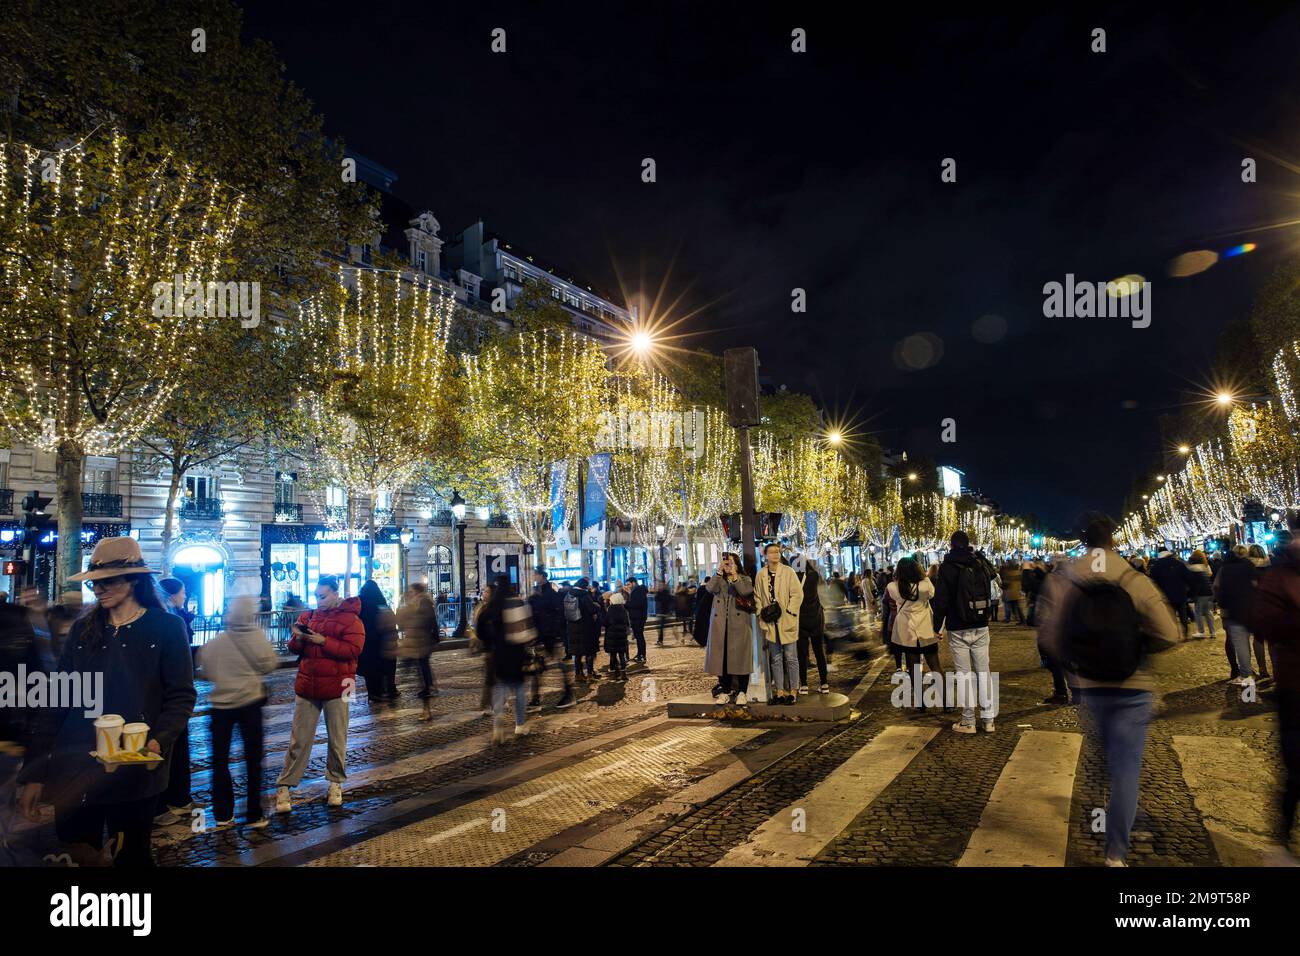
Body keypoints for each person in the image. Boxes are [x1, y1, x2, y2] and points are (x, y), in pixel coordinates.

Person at [18, 537, 196, 867]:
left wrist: (158, 740)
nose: (98, 589)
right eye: (95, 582)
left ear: (133, 581)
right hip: (75, 772)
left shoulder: (167, 628)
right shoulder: (84, 628)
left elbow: (181, 696)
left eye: (107, 581)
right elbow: (57, 699)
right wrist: (35, 773)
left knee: (131, 859)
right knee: (75, 858)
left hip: (134, 773)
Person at [1037, 512, 1180, 866]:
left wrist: (1074, 660)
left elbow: (1049, 636)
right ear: (1114, 539)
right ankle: (1115, 853)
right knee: (1126, 768)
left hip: (1088, 684)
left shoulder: (1065, 576)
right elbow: (1170, 633)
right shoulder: (1133, 576)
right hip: (1133, 685)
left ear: (1083, 541)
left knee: (1101, 755)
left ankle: (1102, 806)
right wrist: (1138, 648)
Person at [275, 575, 364, 814]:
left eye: (323, 596)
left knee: (338, 737)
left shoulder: (352, 619)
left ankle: (335, 783)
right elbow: (293, 646)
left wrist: (323, 641)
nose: (318, 600)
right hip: (308, 684)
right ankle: (285, 785)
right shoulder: (309, 616)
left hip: (343, 683)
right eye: (316, 596)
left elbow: (354, 651)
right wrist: (299, 637)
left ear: (335, 594)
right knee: (299, 739)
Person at [199, 595, 277, 828]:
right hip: (250, 705)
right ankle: (254, 813)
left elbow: (205, 669)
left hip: (220, 707)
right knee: (253, 759)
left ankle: (223, 813)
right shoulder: (259, 638)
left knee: (220, 760)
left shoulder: (217, 641)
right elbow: (270, 664)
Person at [1250, 513, 1300, 861]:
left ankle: (1281, 839)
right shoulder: (1280, 575)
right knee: (1296, 765)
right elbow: (1266, 623)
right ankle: (1280, 838)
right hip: (1295, 684)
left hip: (1293, 680)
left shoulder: (1278, 574)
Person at [932, 531, 997, 732]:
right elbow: (994, 575)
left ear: (951, 545)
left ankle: (968, 721)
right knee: (983, 673)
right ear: (968, 545)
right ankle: (988, 720)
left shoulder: (947, 567)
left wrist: (936, 626)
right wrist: (979, 554)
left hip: (958, 626)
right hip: (981, 623)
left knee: (964, 674)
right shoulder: (978, 562)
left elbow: (941, 600)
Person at [154, 576, 196, 826]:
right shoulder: (169, 621)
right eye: (183, 592)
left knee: (176, 749)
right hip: (166, 697)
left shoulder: (174, 617)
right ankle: (163, 803)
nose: (185, 596)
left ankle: (177, 798)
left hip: (173, 697)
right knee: (167, 749)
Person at [478, 576, 535, 743]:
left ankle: (498, 725)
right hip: (517, 651)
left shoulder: (494, 604)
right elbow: (528, 625)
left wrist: (489, 640)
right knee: (519, 689)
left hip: (499, 651)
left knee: (500, 686)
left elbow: (481, 627)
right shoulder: (517, 602)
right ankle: (520, 725)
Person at [887, 556, 943, 709]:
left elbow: (892, 599)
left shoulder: (893, 587)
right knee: (935, 666)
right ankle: (946, 702)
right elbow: (932, 595)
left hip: (908, 633)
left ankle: (921, 703)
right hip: (926, 630)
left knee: (914, 669)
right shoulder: (925, 584)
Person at [704, 553, 756, 705]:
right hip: (720, 626)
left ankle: (742, 692)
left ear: (737, 564)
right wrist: (719, 571)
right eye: (725, 563)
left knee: (741, 659)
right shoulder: (719, 579)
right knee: (722, 660)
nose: (727, 565)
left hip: (739, 625)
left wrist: (734, 576)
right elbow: (709, 588)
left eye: (730, 563)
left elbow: (745, 591)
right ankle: (725, 691)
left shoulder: (744, 578)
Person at [754, 543, 803, 705]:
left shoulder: (788, 572)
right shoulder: (761, 575)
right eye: (771, 552)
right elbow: (757, 598)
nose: (775, 555)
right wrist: (761, 615)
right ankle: (780, 691)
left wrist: (790, 612)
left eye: (777, 552)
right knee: (775, 658)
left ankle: (794, 690)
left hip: (787, 621)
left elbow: (797, 594)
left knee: (791, 658)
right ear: (766, 556)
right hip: (770, 622)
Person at [1214, 544, 1261, 686]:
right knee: (1251, 641)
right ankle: (1255, 671)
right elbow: (1255, 584)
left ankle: (1245, 674)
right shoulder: (1248, 566)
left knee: (1240, 644)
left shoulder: (1225, 568)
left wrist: (1221, 602)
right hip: (1250, 608)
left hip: (1233, 610)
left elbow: (1217, 586)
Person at [529, 569, 574, 709]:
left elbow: (557, 615)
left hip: (549, 636)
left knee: (556, 664)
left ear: (542, 577)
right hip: (540, 636)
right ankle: (535, 697)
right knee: (536, 668)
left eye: (535, 574)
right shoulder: (537, 594)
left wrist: (552, 632)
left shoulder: (551, 594)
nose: (533, 576)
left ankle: (568, 692)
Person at [396, 582, 439, 719]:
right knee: (422, 669)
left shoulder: (423, 603)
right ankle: (428, 689)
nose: (410, 593)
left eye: (411, 591)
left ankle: (427, 698)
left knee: (422, 671)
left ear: (417, 591)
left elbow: (426, 622)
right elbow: (401, 623)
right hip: (416, 643)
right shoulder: (414, 603)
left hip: (421, 643)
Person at [357, 580, 399, 704]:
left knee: (370, 671)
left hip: (365, 642)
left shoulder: (360, 606)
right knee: (384, 669)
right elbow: (390, 626)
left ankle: (373, 693)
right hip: (381, 643)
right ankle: (387, 690)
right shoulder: (381, 604)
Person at [796, 557, 829, 695]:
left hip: (801, 620)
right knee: (819, 652)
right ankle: (824, 683)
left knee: (802, 654)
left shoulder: (793, 577)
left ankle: (804, 685)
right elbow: (824, 594)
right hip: (816, 618)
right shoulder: (815, 576)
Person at [1149, 548, 1196, 638]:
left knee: (1171, 616)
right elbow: (1188, 577)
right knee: (1183, 614)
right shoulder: (1178, 564)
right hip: (1180, 593)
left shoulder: (1156, 566)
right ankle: (1185, 633)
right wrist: (1190, 590)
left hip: (1166, 595)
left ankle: (1175, 634)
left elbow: (1153, 582)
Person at [563, 577, 601, 683]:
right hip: (585, 626)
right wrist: (597, 606)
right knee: (589, 651)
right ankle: (589, 675)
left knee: (577, 653)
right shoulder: (584, 595)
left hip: (572, 627)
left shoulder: (569, 594)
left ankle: (578, 675)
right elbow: (592, 609)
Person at [1248, 544, 1275, 682]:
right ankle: (1276, 669)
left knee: (1258, 638)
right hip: (1270, 604)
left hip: (1254, 605)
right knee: (1272, 639)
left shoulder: (1247, 567)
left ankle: (1263, 669)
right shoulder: (1271, 565)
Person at [1187, 550, 1216, 640]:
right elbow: (1210, 575)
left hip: (1201, 593)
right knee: (1208, 612)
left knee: (1198, 612)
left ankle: (1201, 631)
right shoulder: (1205, 566)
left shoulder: (1192, 568)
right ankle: (1213, 632)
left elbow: (1193, 583)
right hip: (1209, 591)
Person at [604, 590, 631, 681]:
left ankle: (613, 675)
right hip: (622, 636)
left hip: (612, 637)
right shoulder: (624, 610)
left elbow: (606, 622)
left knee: (612, 656)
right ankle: (623, 674)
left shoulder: (610, 610)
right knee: (622, 655)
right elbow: (627, 623)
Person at [624, 575, 649, 664]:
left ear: (633, 583)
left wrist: (626, 604)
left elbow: (638, 604)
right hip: (635, 617)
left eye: (628, 584)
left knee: (639, 637)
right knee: (638, 637)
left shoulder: (639, 591)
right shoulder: (634, 591)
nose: (627, 586)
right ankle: (639, 653)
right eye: (626, 585)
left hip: (639, 617)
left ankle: (642, 655)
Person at [693, 576, 714, 648]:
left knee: (701, 625)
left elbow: (697, 599)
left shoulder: (700, 588)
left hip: (700, 609)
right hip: (708, 610)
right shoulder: (710, 589)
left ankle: (702, 639)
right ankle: (706, 639)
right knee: (707, 625)